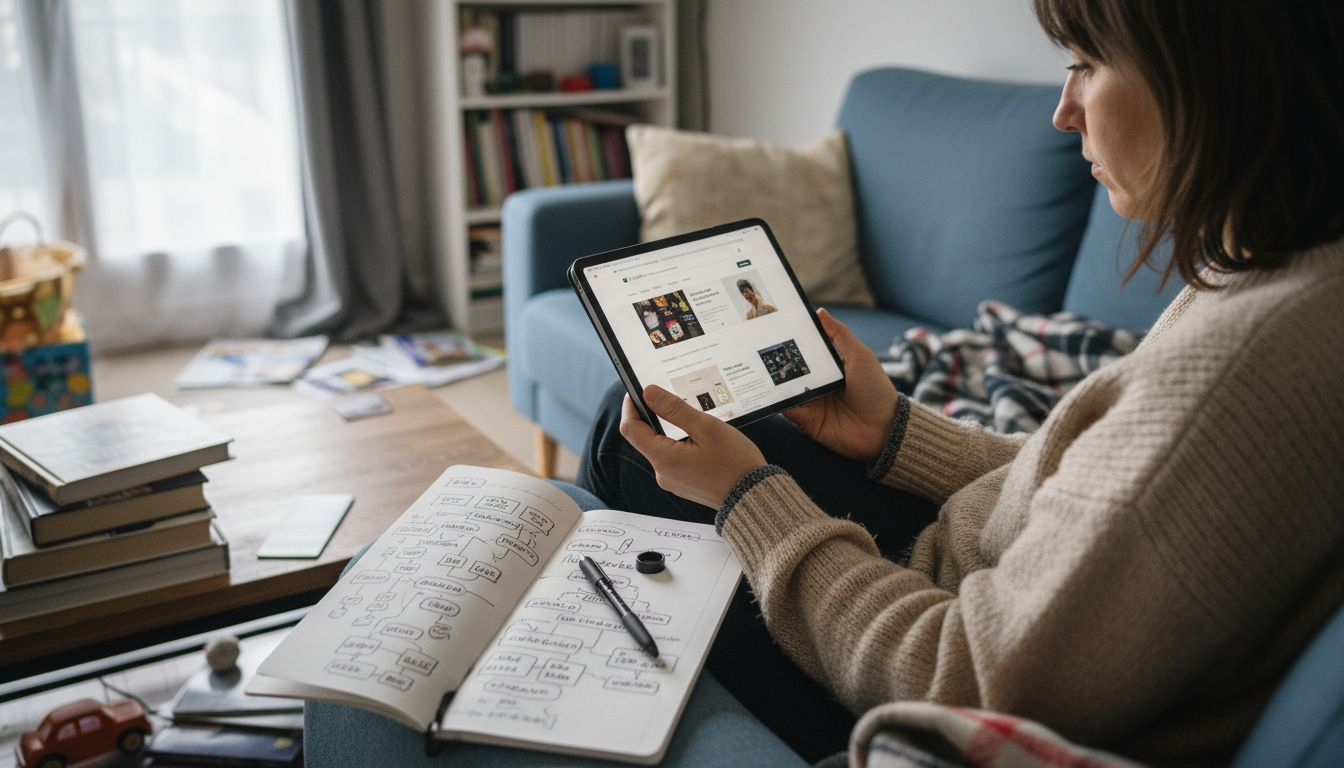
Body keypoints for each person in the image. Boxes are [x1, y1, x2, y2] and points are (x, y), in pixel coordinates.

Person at [579, 1, 1344, 765]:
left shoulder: (1230, 379)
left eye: (1085, 64)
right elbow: (1100, 489)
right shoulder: (1276, 273)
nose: (1063, 112)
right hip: (961, 566)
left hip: (912, 657)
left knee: (633, 436)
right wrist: (899, 435)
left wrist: (749, 500)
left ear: (1212, 82)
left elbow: (958, 679)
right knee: (661, 424)